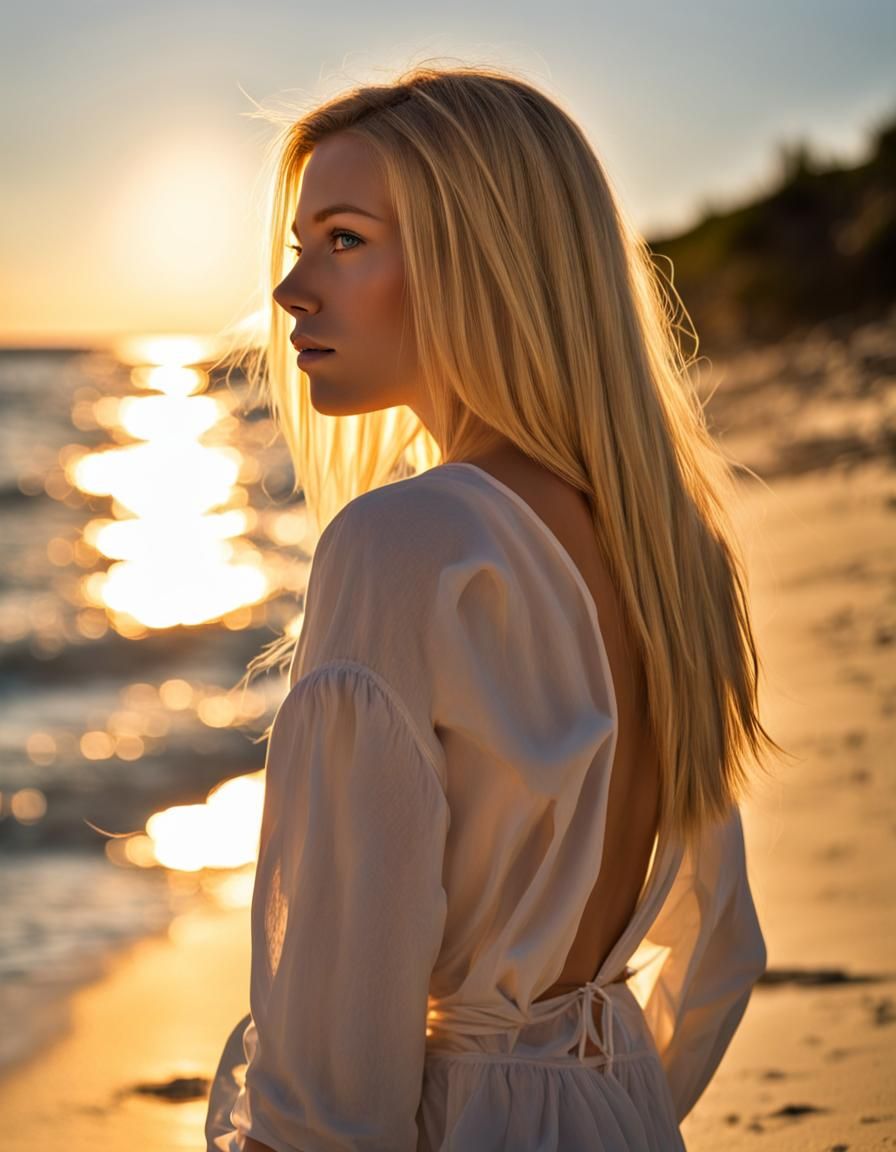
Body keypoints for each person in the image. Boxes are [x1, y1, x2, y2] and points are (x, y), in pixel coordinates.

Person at [205, 63, 780, 1152]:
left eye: (343, 239)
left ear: (478, 259)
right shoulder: (660, 544)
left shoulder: (405, 544)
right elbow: (716, 951)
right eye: (298, 247)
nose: (290, 293)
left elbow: (334, 1054)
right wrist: (593, 1098)